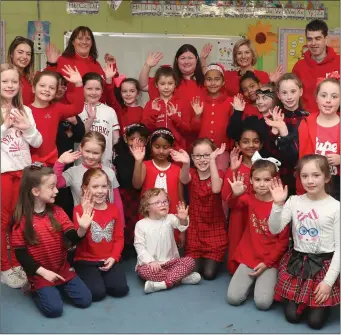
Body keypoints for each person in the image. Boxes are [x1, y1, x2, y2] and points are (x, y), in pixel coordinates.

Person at [268, 154, 340, 330]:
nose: (310, 180)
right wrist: (277, 205)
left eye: (316, 175)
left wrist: (328, 282)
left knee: (315, 323)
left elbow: (339, 248)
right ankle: (304, 300)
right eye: (305, 176)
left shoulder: (336, 207)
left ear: (327, 177)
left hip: (323, 265)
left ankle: (323, 305)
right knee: (291, 317)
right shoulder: (294, 201)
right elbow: (274, 229)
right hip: (297, 263)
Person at [11, 165, 93, 318]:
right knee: (54, 310)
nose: (56, 190)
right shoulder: (20, 220)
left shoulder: (58, 212)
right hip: (40, 274)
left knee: (85, 300)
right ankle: (33, 288)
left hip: (61, 268)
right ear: (35, 191)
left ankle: (56, 286)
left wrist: (82, 228)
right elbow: (21, 256)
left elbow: (73, 237)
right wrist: (43, 273)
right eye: (51, 187)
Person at [226, 155, 289, 310]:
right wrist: (235, 193)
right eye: (257, 180)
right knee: (233, 298)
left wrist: (267, 264)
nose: (262, 184)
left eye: (267, 180)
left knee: (262, 303)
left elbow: (283, 242)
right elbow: (232, 204)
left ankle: (264, 282)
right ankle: (254, 284)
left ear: (275, 181)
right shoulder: (250, 198)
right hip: (249, 256)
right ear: (251, 181)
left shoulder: (282, 206)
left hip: (269, 261)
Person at [1, 63, 42, 288]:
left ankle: (17, 263)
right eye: (5, 81)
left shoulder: (26, 110)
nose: (9, 85)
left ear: (19, 85)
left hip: (24, 171)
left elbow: (37, 141)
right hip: (4, 174)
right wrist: (5, 125)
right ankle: (5, 266)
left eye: (13, 82)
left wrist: (27, 127)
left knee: (21, 219)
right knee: (3, 222)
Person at [171, 139, 228, 280]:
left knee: (209, 274)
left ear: (213, 155)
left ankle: (212, 258)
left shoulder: (219, 173)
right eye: (197, 156)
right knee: (194, 271)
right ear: (193, 157)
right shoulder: (191, 173)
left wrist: (213, 161)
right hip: (195, 230)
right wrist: (185, 163)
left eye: (206, 155)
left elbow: (216, 188)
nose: (202, 160)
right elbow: (184, 179)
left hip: (215, 230)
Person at [277, 78, 340, 200]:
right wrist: (283, 133)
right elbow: (294, 156)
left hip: (337, 188)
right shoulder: (305, 123)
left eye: (334, 96)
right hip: (309, 186)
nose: (328, 100)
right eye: (323, 95)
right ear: (316, 98)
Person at [73, 168, 129, 301]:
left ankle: (102, 278)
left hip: (107, 259)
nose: (100, 191)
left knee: (120, 290)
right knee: (97, 294)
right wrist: (82, 227)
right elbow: (77, 238)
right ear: (85, 188)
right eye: (95, 186)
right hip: (86, 261)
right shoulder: (79, 210)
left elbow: (119, 237)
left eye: (104, 186)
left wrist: (114, 257)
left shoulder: (114, 209)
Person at [134, 188, 201, 294]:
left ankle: (163, 284)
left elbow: (182, 227)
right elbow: (139, 247)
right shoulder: (141, 224)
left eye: (165, 201)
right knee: (143, 271)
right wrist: (150, 261)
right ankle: (180, 278)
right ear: (147, 207)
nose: (163, 204)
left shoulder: (170, 218)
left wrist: (183, 219)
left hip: (171, 262)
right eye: (158, 202)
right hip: (152, 265)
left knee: (190, 261)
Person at [222, 119, 264, 274]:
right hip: (239, 217)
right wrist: (232, 170)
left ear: (261, 144)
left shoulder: (266, 166)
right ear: (238, 145)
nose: (251, 145)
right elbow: (226, 197)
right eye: (245, 141)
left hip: (259, 217)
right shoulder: (235, 167)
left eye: (255, 141)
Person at [53, 131, 123, 221]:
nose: (90, 156)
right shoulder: (73, 172)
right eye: (87, 151)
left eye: (95, 153)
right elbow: (55, 183)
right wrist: (60, 162)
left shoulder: (109, 172)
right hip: (84, 223)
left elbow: (117, 201)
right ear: (80, 148)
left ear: (102, 153)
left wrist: (121, 223)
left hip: (109, 223)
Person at [45, 26, 118, 103]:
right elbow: (50, 83)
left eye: (88, 39)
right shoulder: (63, 61)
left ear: (92, 43)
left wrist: (111, 66)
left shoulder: (96, 64)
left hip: (96, 110)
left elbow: (107, 92)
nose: (84, 42)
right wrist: (51, 64)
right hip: (71, 112)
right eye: (80, 38)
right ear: (73, 42)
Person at [264, 73, 309, 196]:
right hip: (280, 178)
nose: (289, 97)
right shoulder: (270, 118)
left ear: (300, 92)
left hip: (305, 177)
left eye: (293, 91)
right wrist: (274, 130)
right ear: (278, 95)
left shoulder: (308, 118)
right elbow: (267, 155)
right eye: (284, 93)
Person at [29, 68, 84, 166]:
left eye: (52, 88)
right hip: (29, 161)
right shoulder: (25, 110)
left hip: (51, 162)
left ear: (55, 92)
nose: (47, 90)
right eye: (42, 85)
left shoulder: (57, 108)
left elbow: (77, 108)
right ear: (33, 88)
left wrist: (79, 84)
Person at [114, 124, 149, 259]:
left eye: (140, 139)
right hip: (126, 195)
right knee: (128, 222)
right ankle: (128, 246)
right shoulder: (121, 157)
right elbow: (127, 180)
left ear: (146, 141)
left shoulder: (148, 156)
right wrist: (136, 160)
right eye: (132, 139)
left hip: (143, 194)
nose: (136, 142)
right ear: (126, 139)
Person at [200, 39, 283, 96]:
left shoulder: (263, 75)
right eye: (239, 53)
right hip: (234, 118)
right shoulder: (228, 75)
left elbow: (269, 99)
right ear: (235, 57)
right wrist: (203, 59)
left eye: (247, 52)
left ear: (253, 55)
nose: (243, 56)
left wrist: (273, 83)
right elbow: (209, 76)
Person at [191, 64, 233, 171]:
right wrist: (197, 115)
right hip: (201, 153)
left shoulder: (230, 102)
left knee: (219, 178)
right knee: (202, 179)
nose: (213, 83)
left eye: (217, 79)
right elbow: (193, 129)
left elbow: (233, 128)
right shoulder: (199, 101)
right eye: (209, 79)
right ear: (204, 82)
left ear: (223, 82)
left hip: (222, 150)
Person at [292, 19, 340, 114]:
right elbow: (293, 95)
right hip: (306, 120)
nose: (313, 43)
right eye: (310, 39)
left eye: (318, 38)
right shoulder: (299, 66)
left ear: (326, 39)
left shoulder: (339, 62)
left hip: (335, 121)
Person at [142, 66, 193, 151]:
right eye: (162, 84)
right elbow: (145, 130)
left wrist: (175, 118)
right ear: (156, 85)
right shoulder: (151, 104)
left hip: (178, 149)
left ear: (175, 84)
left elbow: (188, 130)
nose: (166, 87)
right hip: (156, 150)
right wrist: (154, 113)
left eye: (170, 83)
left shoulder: (183, 103)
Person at [78, 72, 120, 168]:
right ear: (82, 89)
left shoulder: (110, 111)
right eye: (89, 89)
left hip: (104, 164)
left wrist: (114, 161)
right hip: (81, 164)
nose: (93, 93)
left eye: (97, 89)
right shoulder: (77, 110)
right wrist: (90, 119)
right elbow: (78, 137)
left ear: (102, 91)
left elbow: (116, 140)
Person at [139, 45, 205, 102]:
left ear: (196, 59)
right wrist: (147, 66)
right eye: (183, 58)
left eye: (190, 58)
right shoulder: (169, 78)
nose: (186, 62)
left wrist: (203, 61)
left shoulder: (205, 81)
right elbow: (143, 86)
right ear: (177, 60)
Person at [7, 36, 35, 105]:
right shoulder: (3, 75)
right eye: (20, 52)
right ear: (11, 54)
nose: (25, 57)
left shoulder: (34, 78)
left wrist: (51, 64)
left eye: (28, 54)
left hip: (28, 115)